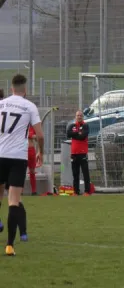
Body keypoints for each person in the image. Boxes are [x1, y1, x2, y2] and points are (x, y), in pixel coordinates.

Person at [0, 74, 44, 256]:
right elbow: (40, 135)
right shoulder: (29, 106)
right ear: (25, 90)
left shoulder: (1, 104)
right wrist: (42, 151)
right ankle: (10, 245)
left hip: (0, 155)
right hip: (18, 158)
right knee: (14, 201)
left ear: (11, 88)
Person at [66, 110, 91, 196]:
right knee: (75, 173)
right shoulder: (72, 125)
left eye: (80, 115)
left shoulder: (85, 125)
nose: (79, 117)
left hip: (83, 153)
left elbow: (82, 136)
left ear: (82, 117)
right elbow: (68, 134)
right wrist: (77, 133)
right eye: (78, 115)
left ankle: (87, 191)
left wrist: (75, 134)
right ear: (75, 117)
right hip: (74, 153)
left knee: (85, 173)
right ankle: (76, 192)